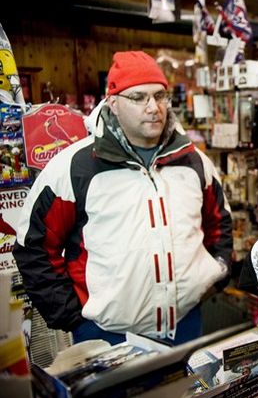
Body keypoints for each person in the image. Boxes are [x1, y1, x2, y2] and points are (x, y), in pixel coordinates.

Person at [13, 51, 233, 345]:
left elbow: (220, 222)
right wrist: (71, 314)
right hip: (108, 335)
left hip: (186, 324)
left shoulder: (194, 162)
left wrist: (217, 273)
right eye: (138, 97)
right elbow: (34, 246)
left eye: (159, 96)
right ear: (113, 103)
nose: (153, 107)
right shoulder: (74, 168)